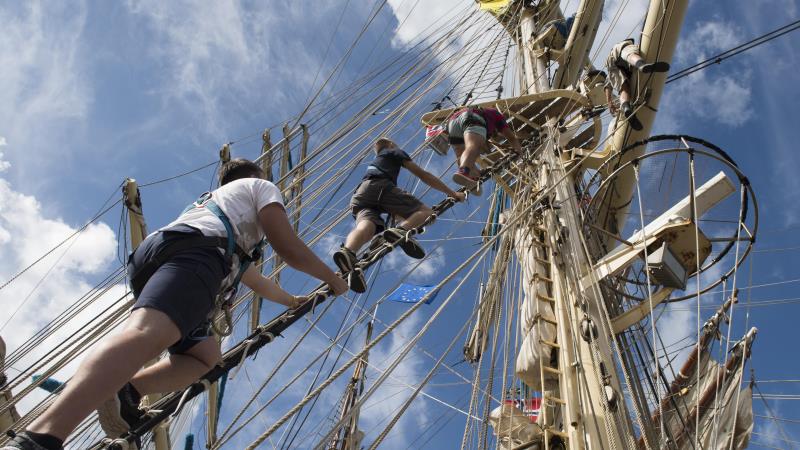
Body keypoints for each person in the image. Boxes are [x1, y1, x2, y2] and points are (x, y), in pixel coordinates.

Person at [3, 159, 348, 450]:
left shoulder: (218, 209)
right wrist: (331, 278)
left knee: (206, 359)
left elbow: (255, 280)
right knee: (145, 334)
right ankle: (38, 438)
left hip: (169, 255)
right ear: (257, 177)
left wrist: (291, 300)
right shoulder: (260, 188)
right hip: (198, 259)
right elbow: (286, 245)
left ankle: (129, 387)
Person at [333, 138, 466, 293]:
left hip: (359, 195)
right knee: (427, 213)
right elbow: (423, 175)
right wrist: (453, 193)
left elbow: (395, 212)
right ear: (390, 144)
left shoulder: (378, 160)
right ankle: (400, 232)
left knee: (367, 227)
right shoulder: (392, 150)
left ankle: (348, 252)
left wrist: (409, 223)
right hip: (380, 186)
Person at [446, 106, 522, 191]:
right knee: (473, 145)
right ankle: (463, 172)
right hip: (469, 117)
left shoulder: (485, 113)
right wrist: (519, 152)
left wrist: (478, 172)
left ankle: (472, 178)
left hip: (451, 124)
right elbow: (511, 137)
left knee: (462, 155)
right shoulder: (496, 114)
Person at [603, 38, 670, 131]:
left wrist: (609, 102)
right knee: (629, 54)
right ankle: (641, 65)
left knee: (624, 88)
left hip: (613, 66)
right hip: (621, 52)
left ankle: (626, 108)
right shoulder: (625, 44)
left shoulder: (609, 73)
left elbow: (607, 85)